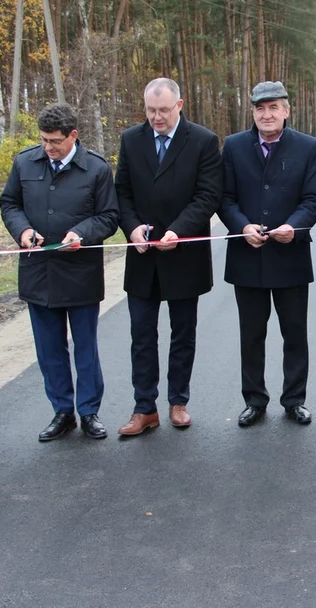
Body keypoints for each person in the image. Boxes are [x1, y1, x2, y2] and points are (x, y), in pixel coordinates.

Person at [0, 103, 120, 442]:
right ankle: (62, 412)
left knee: (85, 348)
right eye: (43, 141)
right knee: (49, 349)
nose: (48, 148)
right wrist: (22, 231)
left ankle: (89, 412)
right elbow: (9, 203)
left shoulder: (95, 169)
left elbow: (109, 216)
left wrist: (81, 232)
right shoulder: (25, 162)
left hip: (80, 273)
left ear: (73, 136)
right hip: (39, 274)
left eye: (55, 141)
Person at [114, 78, 222, 436]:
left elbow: (207, 196)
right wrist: (131, 229)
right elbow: (123, 193)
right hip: (143, 257)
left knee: (182, 333)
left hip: (184, 254)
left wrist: (179, 230)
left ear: (179, 105)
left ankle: (178, 401)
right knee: (142, 335)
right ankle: (144, 408)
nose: (156, 118)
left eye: (162, 110)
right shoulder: (131, 140)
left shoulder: (203, 141)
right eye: (150, 110)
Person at [220, 81, 316, 427]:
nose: (267, 115)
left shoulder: (307, 147)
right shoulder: (234, 146)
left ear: (286, 110)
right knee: (251, 335)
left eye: (274, 108)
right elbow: (225, 199)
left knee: (294, 333)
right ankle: (254, 400)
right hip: (247, 257)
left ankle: (294, 400)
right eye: (260, 109)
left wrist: (294, 226)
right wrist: (242, 226)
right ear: (252, 112)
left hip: (289, 255)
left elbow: (313, 199)